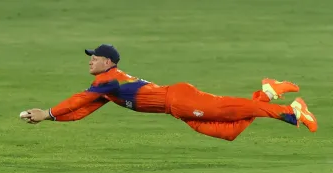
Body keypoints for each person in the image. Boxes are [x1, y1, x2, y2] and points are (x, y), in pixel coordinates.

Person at [21, 44, 318, 141]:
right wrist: (52, 120)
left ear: (108, 62)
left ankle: (292, 113)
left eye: (95, 57)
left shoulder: (107, 80)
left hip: (179, 100)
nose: (90, 61)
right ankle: (268, 93)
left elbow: (79, 100)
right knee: (229, 131)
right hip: (177, 109)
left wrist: (47, 111)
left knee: (232, 109)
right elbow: (82, 110)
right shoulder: (106, 88)